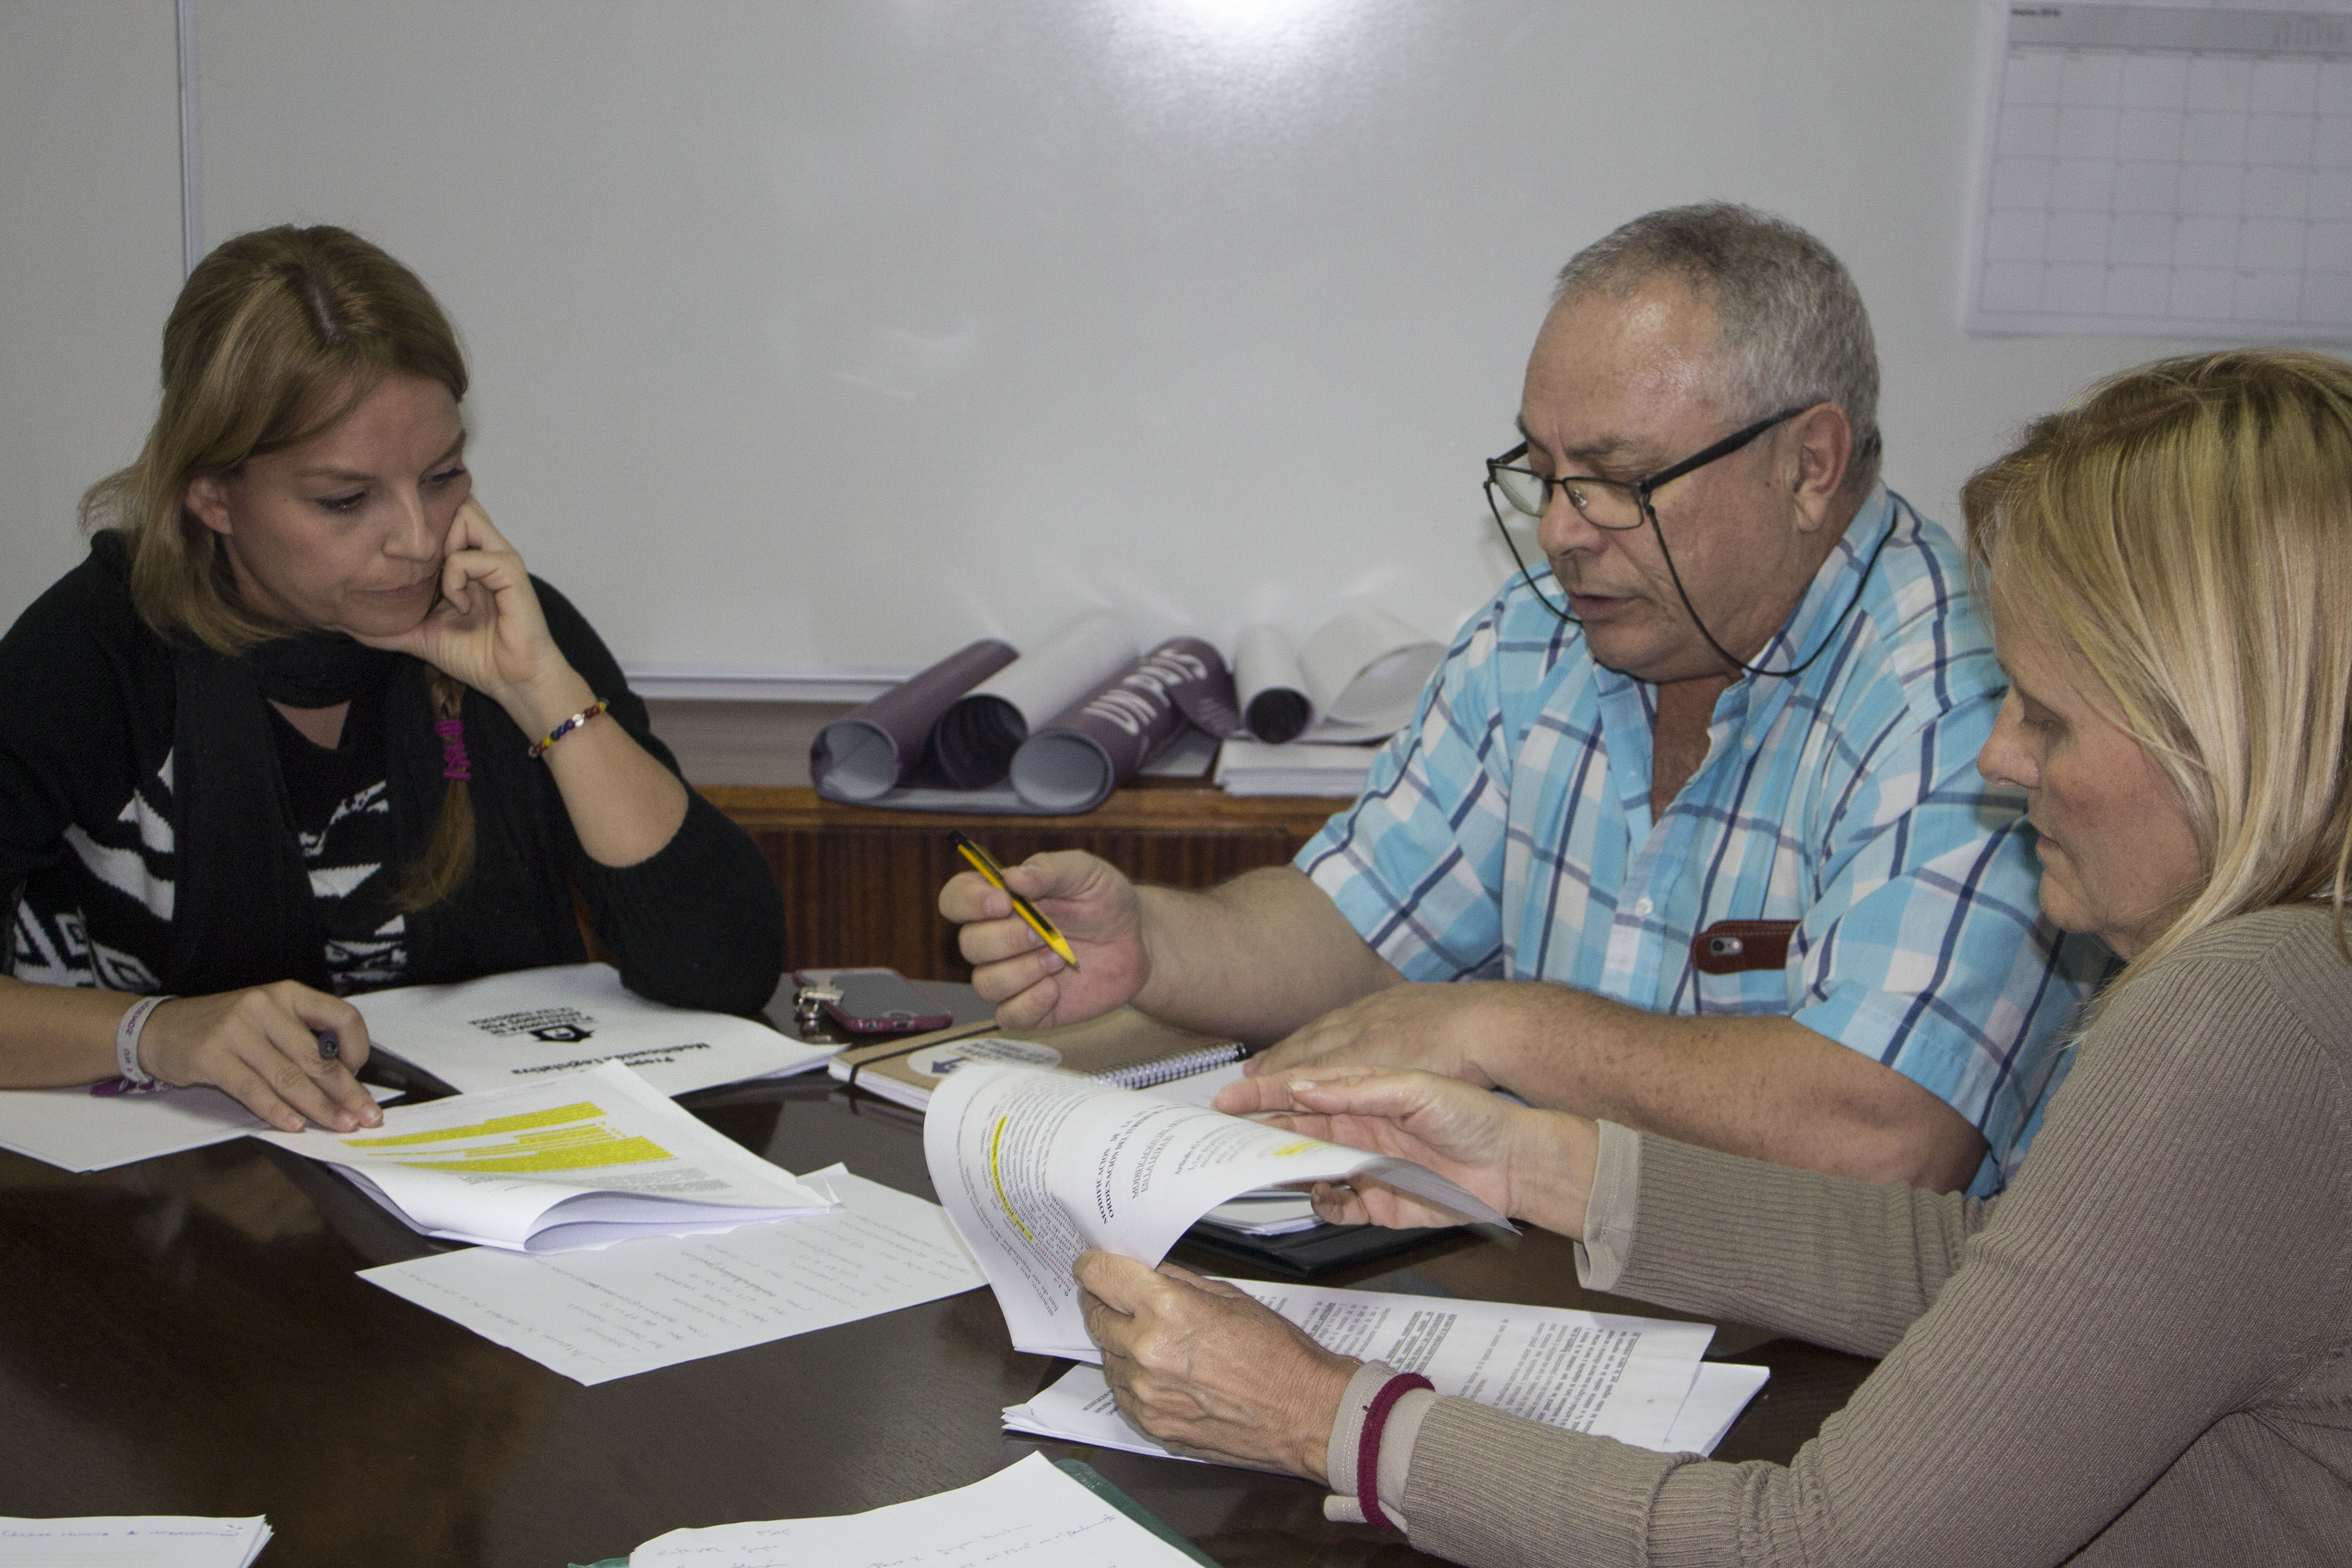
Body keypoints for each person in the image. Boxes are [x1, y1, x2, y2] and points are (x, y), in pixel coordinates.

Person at [1076, 347, 2352, 1564]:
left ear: (2220, 730)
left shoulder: (2241, 1010)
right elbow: (1987, 1272)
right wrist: (1537, 1160)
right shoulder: (2304, 977)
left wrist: (1320, 1416)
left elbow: (1824, 1543)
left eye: (2051, 718)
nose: (2001, 760)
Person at [946, 204, 2100, 1196]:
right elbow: (1355, 929)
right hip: (1559, 1280)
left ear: (1808, 464)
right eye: (1543, 477)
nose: (1559, 533)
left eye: (1617, 481)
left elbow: (1887, 1135)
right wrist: (1154, 941)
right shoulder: (1539, 640)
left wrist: (1502, 1023)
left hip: (1837, 1368)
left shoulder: (1967, 696)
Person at [0, 225, 785, 1135]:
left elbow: (723, 969)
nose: (417, 538)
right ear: (213, 496)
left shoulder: (499, 619)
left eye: (444, 475)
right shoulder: (94, 656)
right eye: (345, 500)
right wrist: (156, 1033)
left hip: (471, 1190)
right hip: (170, 1215)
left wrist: (543, 694)